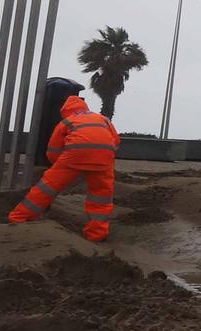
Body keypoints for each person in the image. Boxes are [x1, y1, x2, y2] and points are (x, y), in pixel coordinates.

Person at [8, 93, 119, 243]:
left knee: (46, 188)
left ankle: (18, 217)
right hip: (103, 159)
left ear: (65, 111)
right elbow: (116, 141)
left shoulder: (67, 121)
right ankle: (97, 234)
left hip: (74, 156)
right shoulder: (103, 119)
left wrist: (61, 166)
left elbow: (53, 150)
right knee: (101, 196)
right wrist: (101, 158)